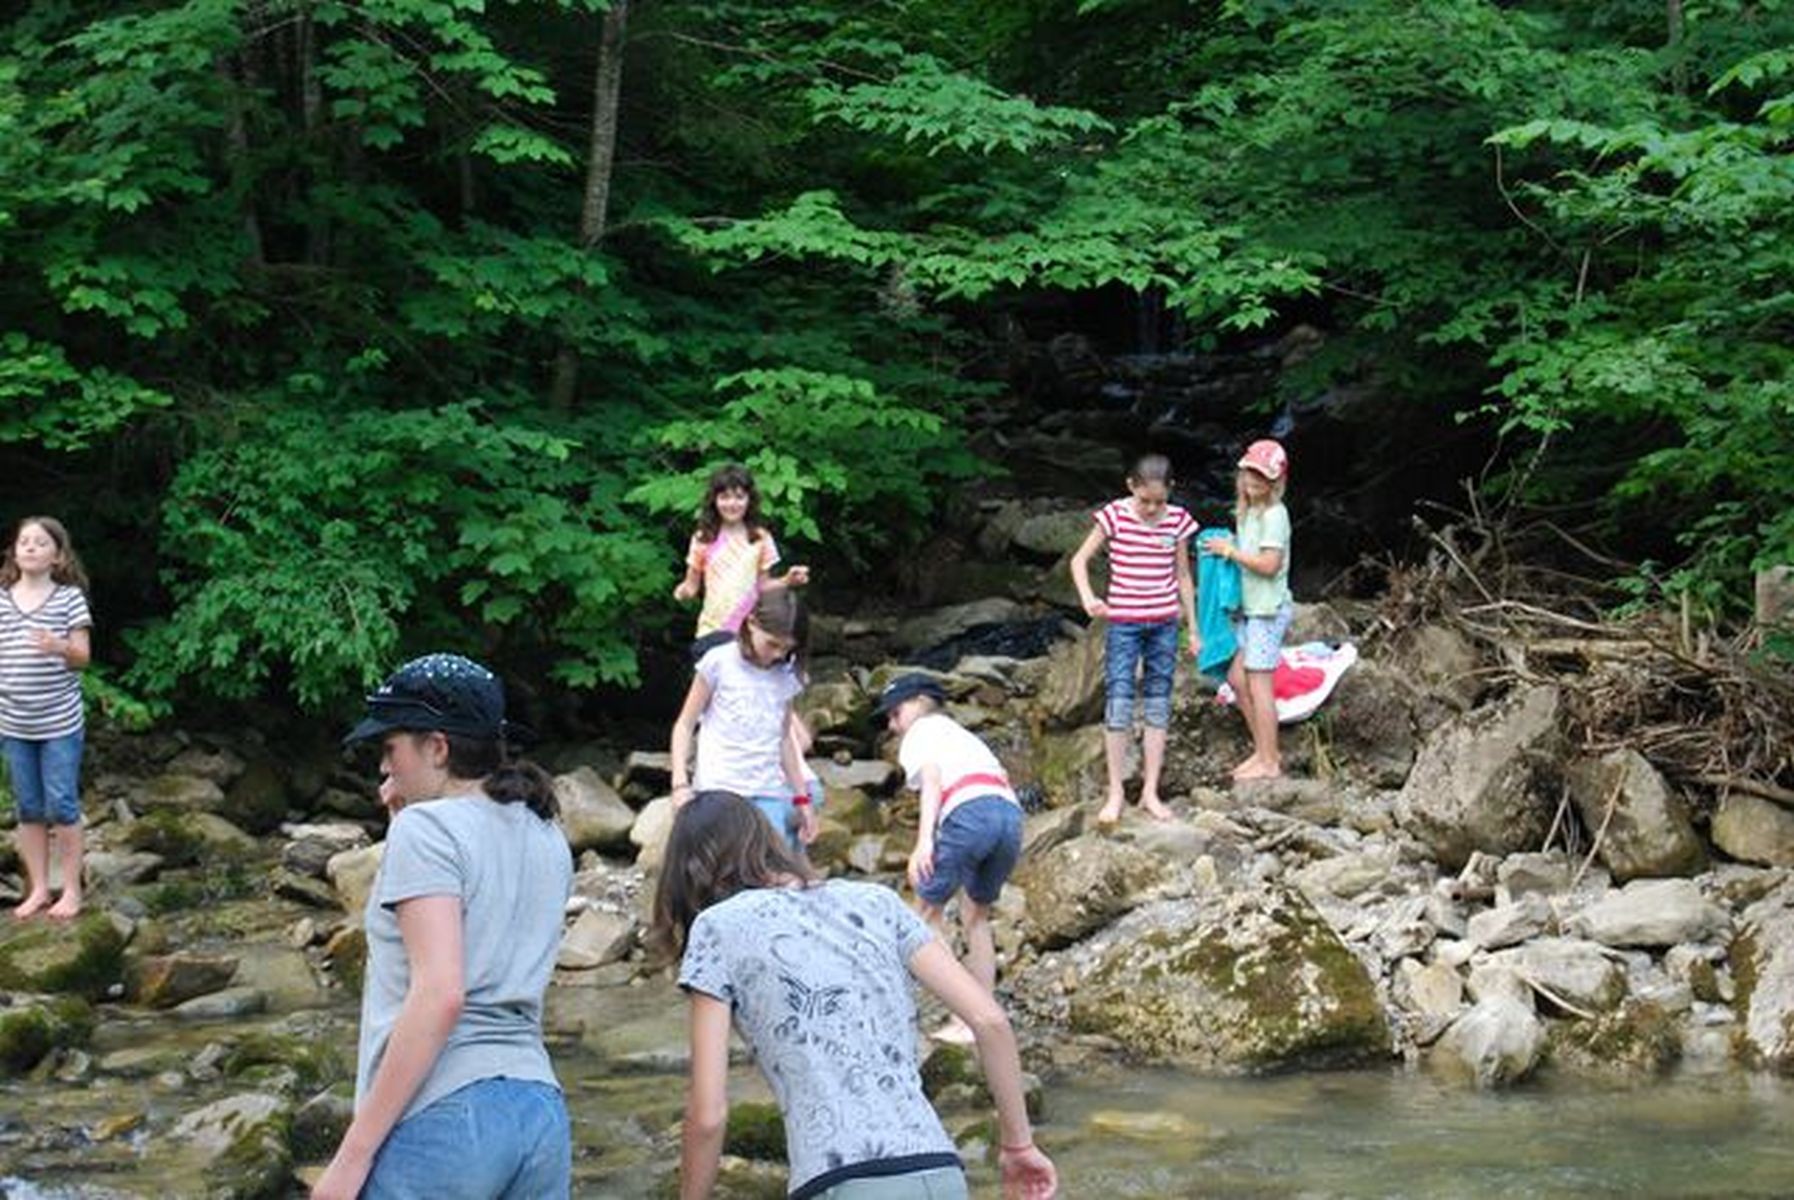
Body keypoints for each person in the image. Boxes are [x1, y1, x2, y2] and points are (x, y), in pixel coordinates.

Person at [654, 790, 1057, 1200]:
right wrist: (1018, 1146)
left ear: (689, 872)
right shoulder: (879, 901)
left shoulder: (717, 927)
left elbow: (708, 1115)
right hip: (939, 1170)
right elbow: (990, 1021)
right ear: (766, 839)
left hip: (839, 1180)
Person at [315, 653, 573, 1200]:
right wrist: (402, 821)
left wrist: (351, 1158)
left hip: (447, 1116)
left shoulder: (427, 830)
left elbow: (440, 994)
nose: (384, 767)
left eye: (390, 748)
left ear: (437, 747)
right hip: (539, 1114)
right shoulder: (545, 831)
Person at [876, 673, 1023, 1047]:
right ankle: (983, 1018)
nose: (892, 725)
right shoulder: (964, 735)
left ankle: (963, 1017)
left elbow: (932, 778)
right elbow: (1002, 776)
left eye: (895, 713)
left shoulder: (920, 732)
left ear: (919, 702)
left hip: (968, 811)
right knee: (977, 916)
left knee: (924, 916)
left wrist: (924, 841)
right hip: (1009, 814)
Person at [1068, 453, 1198, 824]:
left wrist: (1194, 628)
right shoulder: (1114, 515)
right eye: (1145, 500)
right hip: (1123, 622)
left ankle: (1150, 792)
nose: (1153, 509)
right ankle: (1116, 792)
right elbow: (1078, 560)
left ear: (1170, 491)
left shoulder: (1177, 520)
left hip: (1164, 623)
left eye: (1159, 501)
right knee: (1119, 701)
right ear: (1131, 486)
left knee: (1158, 703)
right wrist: (1089, 598)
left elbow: (1183, 576)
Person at [669, 589, 817, 852]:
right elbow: (684, 725)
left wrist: (802, 799)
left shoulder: (786, 675)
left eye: (787, 649)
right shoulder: (718, 662)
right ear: (751, 623)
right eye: (772, 644)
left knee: (772, 865)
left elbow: (784, 739)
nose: (778, 654)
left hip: (768, 792)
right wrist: (680, 784)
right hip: (719, 790)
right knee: (723, 866)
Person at [1, 516, 93, 921]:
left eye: (41, 542)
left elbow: (83, 658)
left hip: (59, 721)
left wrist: (60, 647)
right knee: (28, 808)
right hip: (13, 721)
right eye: (24, 541)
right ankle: (38, 889)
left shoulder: (68, 599)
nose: (31, 547)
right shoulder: (1, 599)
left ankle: (71, 890)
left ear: (57, 556)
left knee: (62, 804)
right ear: (14, 551)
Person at [1202, 439, 1293, 781]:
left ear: (1276, 481)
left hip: (1268, 611)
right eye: (1250, 474)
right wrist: (1227, 547)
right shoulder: (1249, 512)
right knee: (1237, 678)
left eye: (1262, 477)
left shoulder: (1275, 515)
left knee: (1259, 684)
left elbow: (1269, 565)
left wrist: (1230, 552)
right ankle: (1264, 751)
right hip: (1251, 611)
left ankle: (1270, 762)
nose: (1254, 481)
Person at [672, 464, 809, 662]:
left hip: (750, 631)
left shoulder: (760, 538)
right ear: (714, 500)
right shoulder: (703, 538)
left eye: (739, 497)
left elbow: (762, 586)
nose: (732, 504)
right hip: (712, 629)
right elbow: (691, 586)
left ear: (749, 500)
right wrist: (681, 592)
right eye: (724, 497)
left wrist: (788, 580)